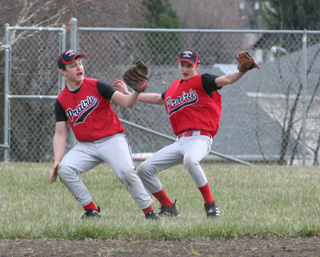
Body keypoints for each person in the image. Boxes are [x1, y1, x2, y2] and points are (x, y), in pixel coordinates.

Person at [114, 49, 259, 218]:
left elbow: (227, 79)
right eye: (182, 65)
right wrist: (130, 94)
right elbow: (158, 98)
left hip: (201, 138)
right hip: (180, 142)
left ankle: (210, 205)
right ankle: (168, 207)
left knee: (190, 160)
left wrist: (242, 70)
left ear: (197, 66)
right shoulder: (175, 86)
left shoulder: (203, 80)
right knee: (145, 169)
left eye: (189, 65)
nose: (185, 69)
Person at [50, 50, 159, 220]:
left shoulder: (97, 86)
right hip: (86, 146)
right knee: (65, 169)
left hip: (112, 139)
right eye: (73, 65)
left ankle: (149, 212)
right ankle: (91, 210)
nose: (79, 67)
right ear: (63, 72)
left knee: (126, 172)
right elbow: (60, 133)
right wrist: (57, 160)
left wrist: (136, 91)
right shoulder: (61, 100)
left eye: (80, 63)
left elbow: (127, 103)